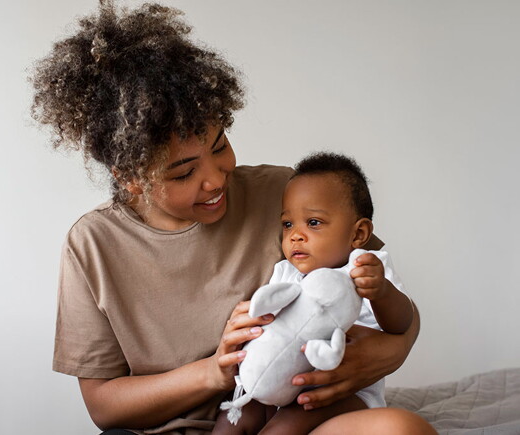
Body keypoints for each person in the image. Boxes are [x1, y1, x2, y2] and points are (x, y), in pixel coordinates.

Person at [30, 2, 432, 434]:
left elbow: (383, 292)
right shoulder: (92, 245)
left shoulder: (286, 196)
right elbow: (105, 408)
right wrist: (217, 370)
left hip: (297, 416)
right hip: (181, 425)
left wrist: (395, 349)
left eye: (220, 145)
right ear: (129, 176)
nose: (215, 179)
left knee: (402, 429)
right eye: (184, 171)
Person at [213, 152, 415, 435]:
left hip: (344, 392)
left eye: (314, 223)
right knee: (235, 416)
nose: (295, 235)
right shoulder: (285, 273)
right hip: (283, 383)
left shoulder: (366, 269)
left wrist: (381, 292)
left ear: (358, 234)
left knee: (287, 425)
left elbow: (401, 325)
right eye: (287, 224)